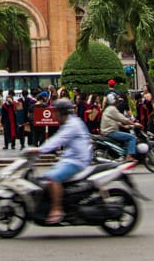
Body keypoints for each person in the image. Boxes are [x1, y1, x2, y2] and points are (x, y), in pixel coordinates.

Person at [33, 97, 93, 225]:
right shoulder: (70, 123)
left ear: (62, 113)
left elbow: (58, 140)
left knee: (52, 178)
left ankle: (56, 209)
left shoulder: (72, 125)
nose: (54, 115)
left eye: (56, 112)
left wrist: (40, 150)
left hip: (76, 161)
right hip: (70, 159)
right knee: (46, 177)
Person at [100, 93, 137, 159]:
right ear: (114, 101)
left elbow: (115, 121)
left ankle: (123, 154)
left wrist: (123, 126)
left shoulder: (108, 108)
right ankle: (129, 156)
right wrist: (134, 124)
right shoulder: (112, 109)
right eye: (117, 100)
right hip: (111, 132)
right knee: (132, 137)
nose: (118, 102)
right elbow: (123, 119)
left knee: (125, 139)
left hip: (107, 131)